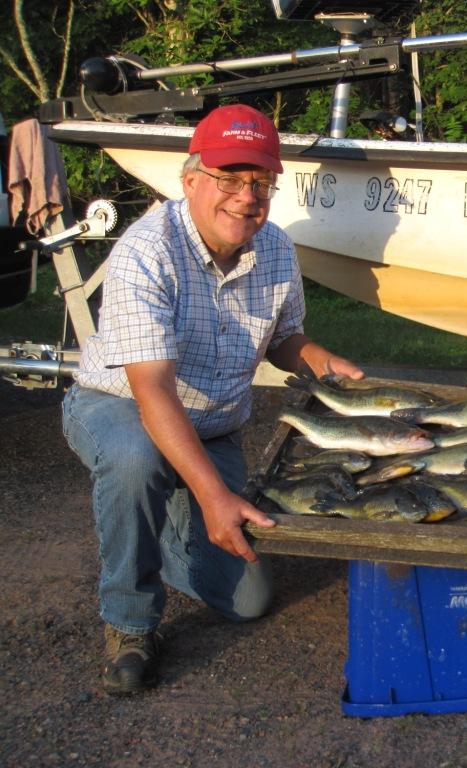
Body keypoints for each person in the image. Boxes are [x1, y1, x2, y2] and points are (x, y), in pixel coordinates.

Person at [62, 104, 364, 695]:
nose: (245, 197)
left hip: (212, 427)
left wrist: (329, 366)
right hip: (119, 405)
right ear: (191, 180)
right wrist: (213, 495)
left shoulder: (275, 248)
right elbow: (152, 391)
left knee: (249, 600)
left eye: (260, 182)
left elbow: (285, 340)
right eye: (229, 179)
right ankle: (129, 623)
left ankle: (152, 527)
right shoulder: (146, 250)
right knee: (135, 459)